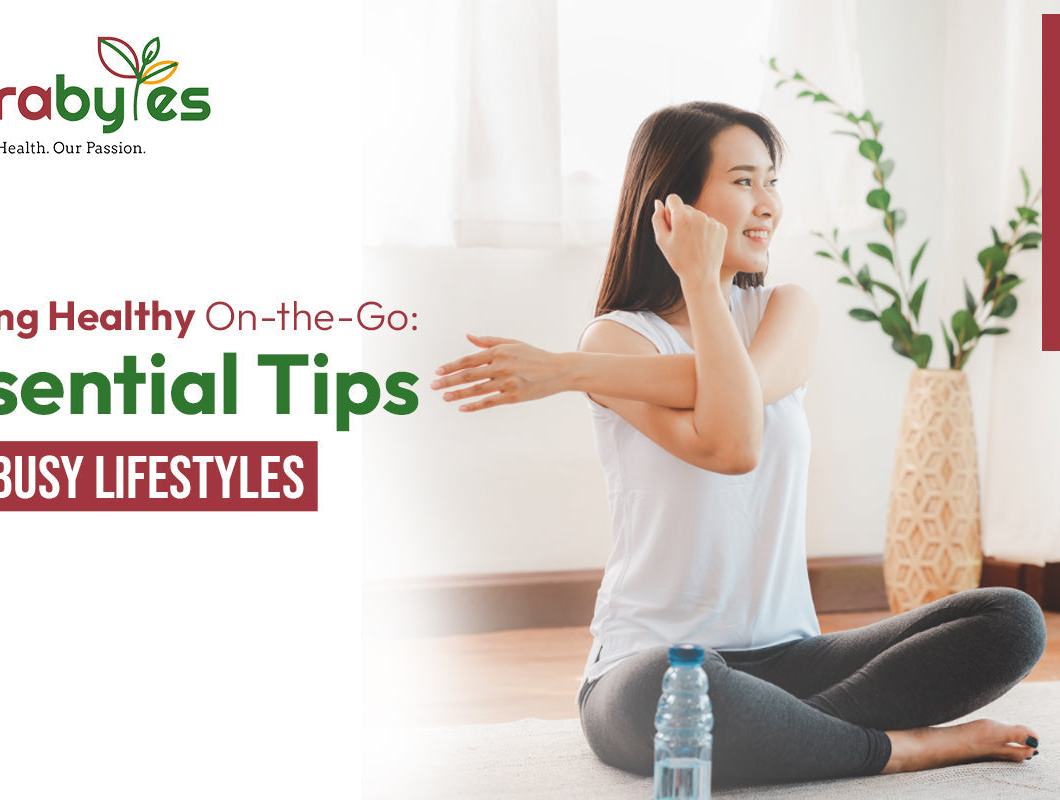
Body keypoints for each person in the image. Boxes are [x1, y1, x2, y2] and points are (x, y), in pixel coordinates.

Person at [430, 101, 1046, 786]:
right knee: (675, 691)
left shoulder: (785, 310)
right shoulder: (618, 339)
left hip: (794, 660)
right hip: (653, 663)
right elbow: (731, 445)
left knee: (1010, 619)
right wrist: (686, 286)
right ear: (673, 206)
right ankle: (900, 748)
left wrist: (570, 371)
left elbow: (737, 401)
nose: (769, 204)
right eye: (745, 181)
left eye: (772, 181)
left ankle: (793, 733)